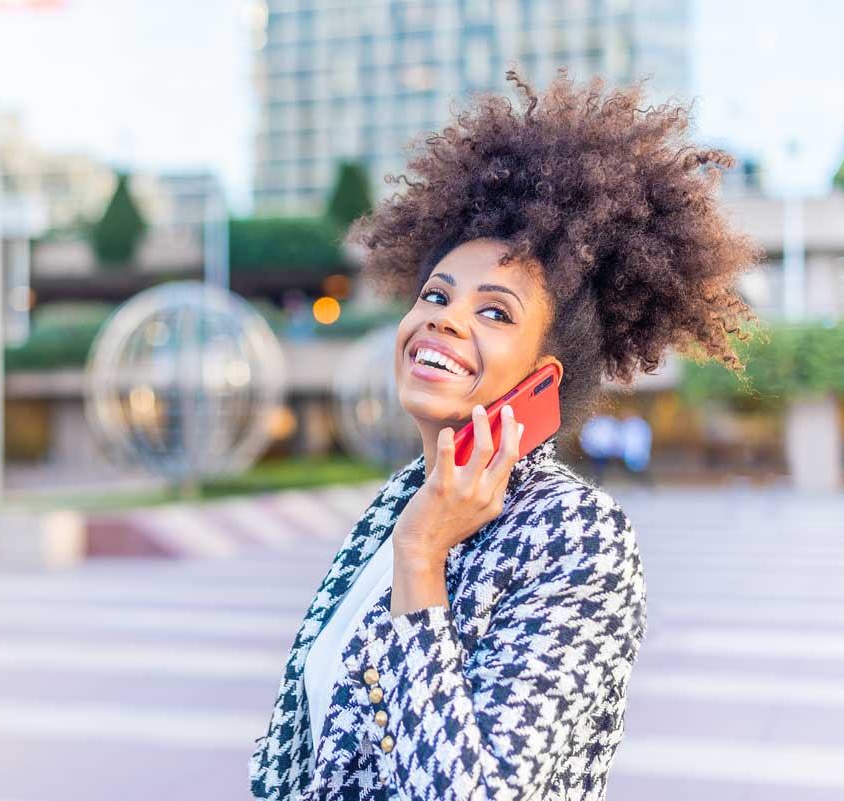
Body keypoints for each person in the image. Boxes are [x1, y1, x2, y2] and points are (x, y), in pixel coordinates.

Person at [249, 66, 762, 801]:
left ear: (546, 378)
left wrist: (423, 557)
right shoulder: (400, 503)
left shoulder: (579, 537)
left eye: (495, 312)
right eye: (435, 293)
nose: (444, 319)